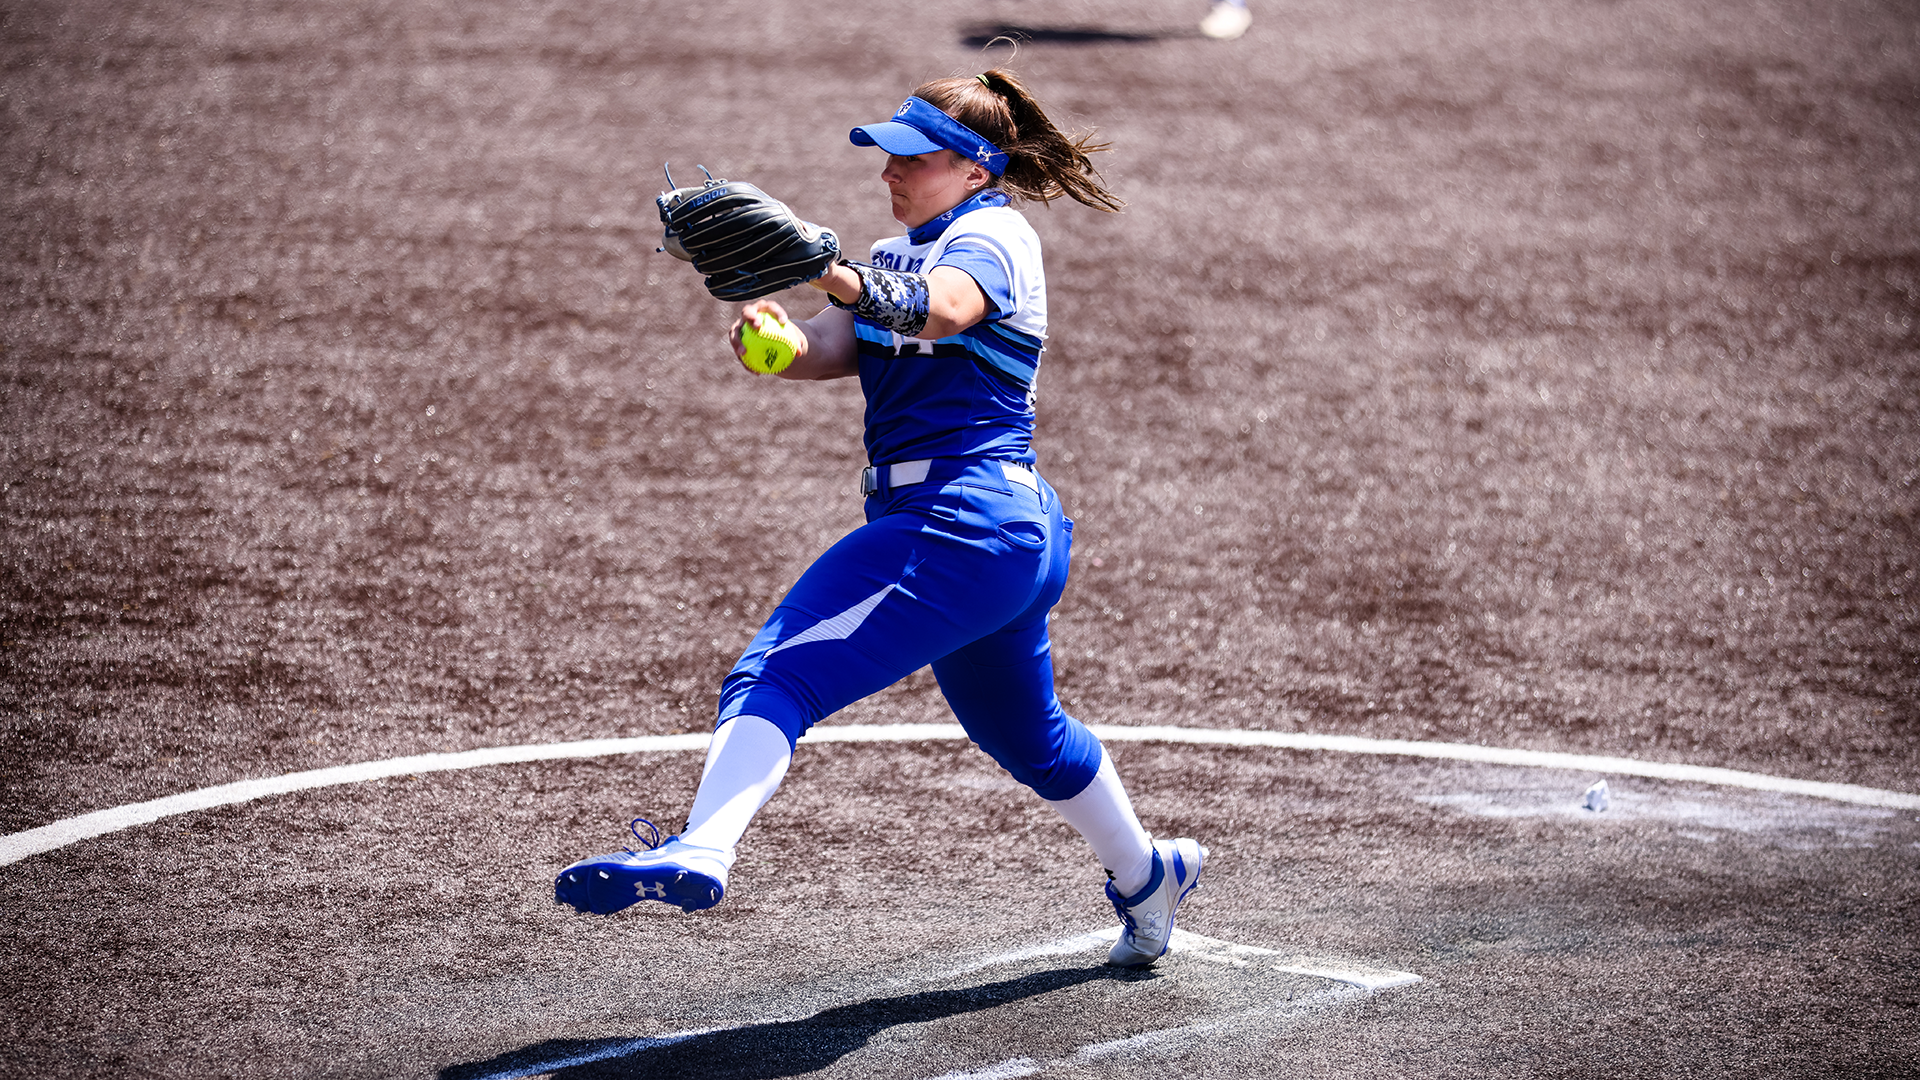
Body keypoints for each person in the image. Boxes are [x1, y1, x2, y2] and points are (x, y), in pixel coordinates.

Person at [555, 70, 1206, 967]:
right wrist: (773, 342)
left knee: (778, 670)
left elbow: (944, 312)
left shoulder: (995, 234)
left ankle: (701, 845)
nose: (890, 173)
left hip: (964, 515)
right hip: (996, 533)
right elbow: (839, 346)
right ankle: (1147, 878)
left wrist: (828, 269)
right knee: (1028, 736)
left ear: (976, 170)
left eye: (913, 157)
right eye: (886, 154)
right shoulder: (889, 253)